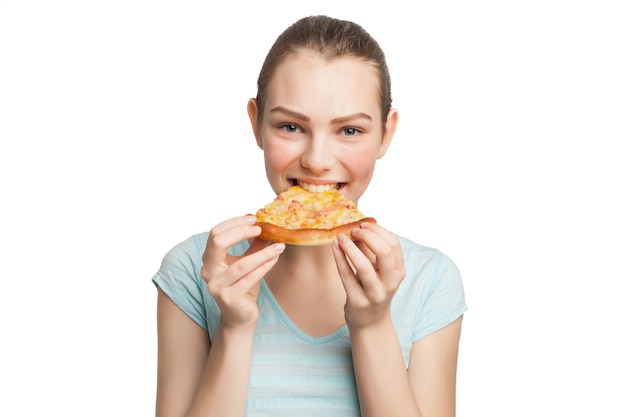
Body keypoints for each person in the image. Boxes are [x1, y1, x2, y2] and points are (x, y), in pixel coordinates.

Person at [152, 15, 467, 417]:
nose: (317, 161)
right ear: (256, 124)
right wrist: (234, 327)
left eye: (349, 131)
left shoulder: (431, 279)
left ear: (386, 134)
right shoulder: (194, 269)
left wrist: (371, 326)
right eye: (290, 126)